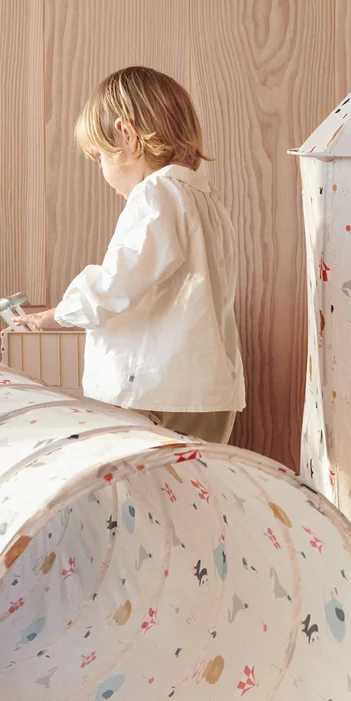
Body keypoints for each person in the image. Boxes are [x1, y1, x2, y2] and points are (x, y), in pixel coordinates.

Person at [14, 66, 245, 444]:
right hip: (208, 388)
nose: (103, 173)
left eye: (99, 158)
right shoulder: (205, 200)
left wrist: (60, 314)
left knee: (136, 479)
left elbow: (118, 283)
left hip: (155, 390)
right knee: (193, 480)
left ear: (127, 135)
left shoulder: (156, 194)